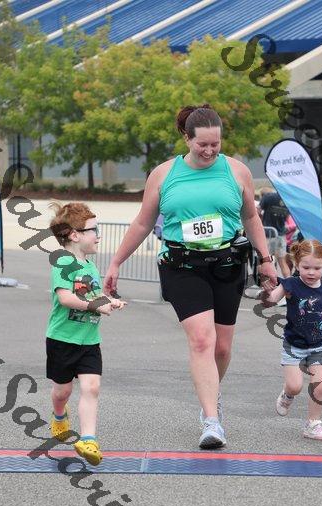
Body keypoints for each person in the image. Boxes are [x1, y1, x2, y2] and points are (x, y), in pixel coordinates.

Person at [103, 104, 277, 449]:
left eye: (216, 144)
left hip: (227, 264)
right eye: (202, 145)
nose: (210, 151)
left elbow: (251, 218)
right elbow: (142, 222)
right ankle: (211, 421)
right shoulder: (163, 174)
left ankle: (212, 392)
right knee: (201, 340)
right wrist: (116, 262)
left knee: (222, 347)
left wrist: (266, 260)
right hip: (181, 266)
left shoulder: (237, 171)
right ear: (187, 138)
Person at [46, 202, 125, 466]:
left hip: (89, 341)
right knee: (62, 392)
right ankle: (59, 416)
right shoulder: (63, 263)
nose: (98, 236)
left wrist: (109, 301)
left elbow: (93, 295)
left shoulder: (90, 266)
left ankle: (88, 439)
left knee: (92, 387)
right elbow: (66, 298)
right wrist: (95, 306)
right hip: (62, 340)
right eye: (94, 230)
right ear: (74, 235)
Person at [259, 240, 322, 441]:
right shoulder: (290, 284)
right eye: (306, 267)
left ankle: (313, 424)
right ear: (296, 264)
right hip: (294, 346)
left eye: (317, 268)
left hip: (319, 346)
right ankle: (287, 395)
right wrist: (266, 293)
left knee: (319, 386)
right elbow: (270, 301)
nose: (311, 272)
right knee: (295, 386)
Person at [258, 188, 291, 278]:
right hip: (281, 235)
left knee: (266, 262)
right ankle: (288, 283)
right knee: (282, 263)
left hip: (268, 234)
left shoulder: (268, 197)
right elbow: (287, 217)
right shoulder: (288, 200)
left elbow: (257, 212)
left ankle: (268, 284)